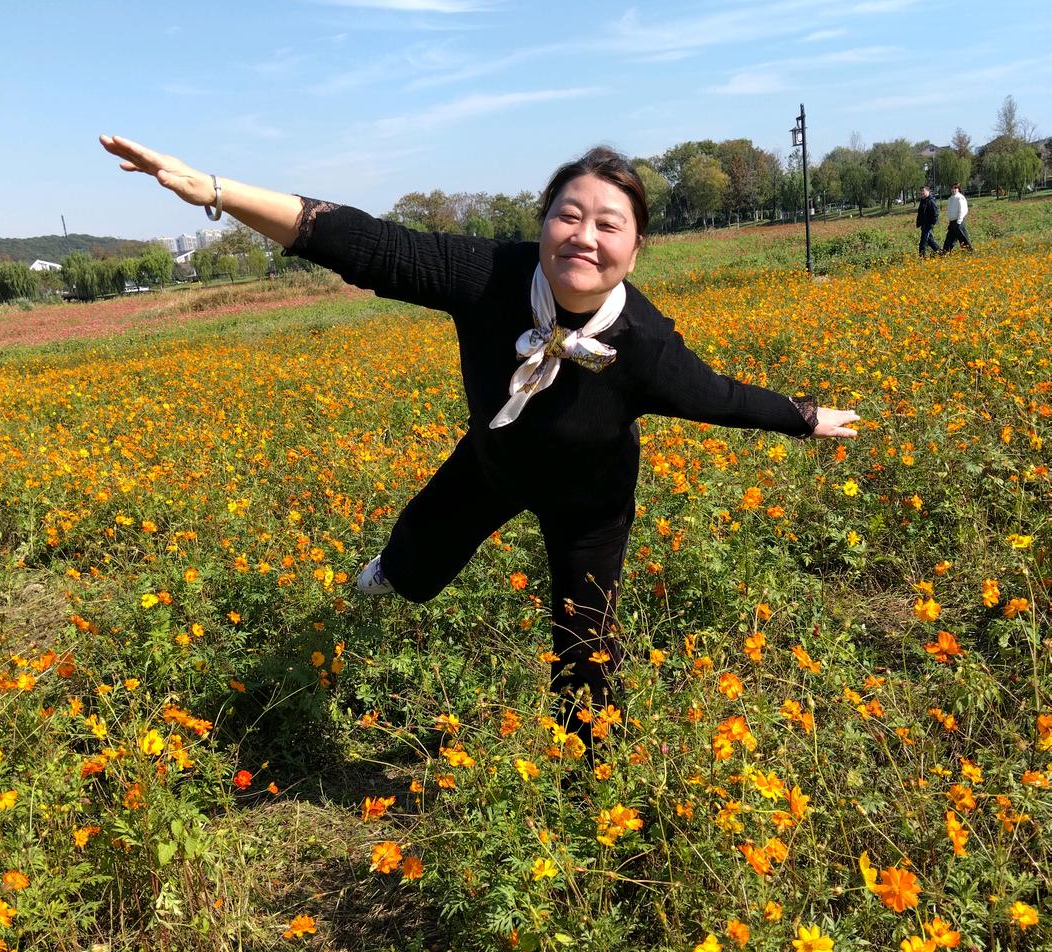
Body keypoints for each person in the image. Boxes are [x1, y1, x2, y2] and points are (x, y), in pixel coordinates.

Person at [100, 135, 859, 757]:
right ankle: (392, 571)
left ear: (636, 249)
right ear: (543, 224)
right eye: (569, 215)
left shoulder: (648, 346)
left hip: (591, 504)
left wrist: (805, 417)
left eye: (609, 225)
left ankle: (584, 777)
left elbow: (720, 397)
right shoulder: (489, 276)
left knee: (586, 645)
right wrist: (216, 191)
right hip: (494, 462)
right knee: (414, 559)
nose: (584, 236)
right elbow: (365, 244)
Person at [943, 183, 974, 252]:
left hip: (958, 222)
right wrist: (950, 221)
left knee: (963, 239)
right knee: (949, 239)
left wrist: (959, 221)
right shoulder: (950, 199)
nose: (953, 190)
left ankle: (969, 252)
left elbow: (963, 210)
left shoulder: (960, 198)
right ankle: (945, 253)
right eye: (952, 188)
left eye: (955, 188)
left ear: (958, 189)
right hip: (952, 222)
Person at [915, 186, 940, 257]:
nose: (922, 192)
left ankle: (921, 257)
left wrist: (932, 223)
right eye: (921, 191)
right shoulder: (923, 200)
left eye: (923, 191)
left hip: (928, 224)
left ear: (928, 191)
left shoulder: (931, 200)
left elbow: (935, 212)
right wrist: (919, 223)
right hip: (924, 224)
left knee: (923, 241)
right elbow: (920, 213)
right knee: (929, 240)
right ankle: (941, 252)